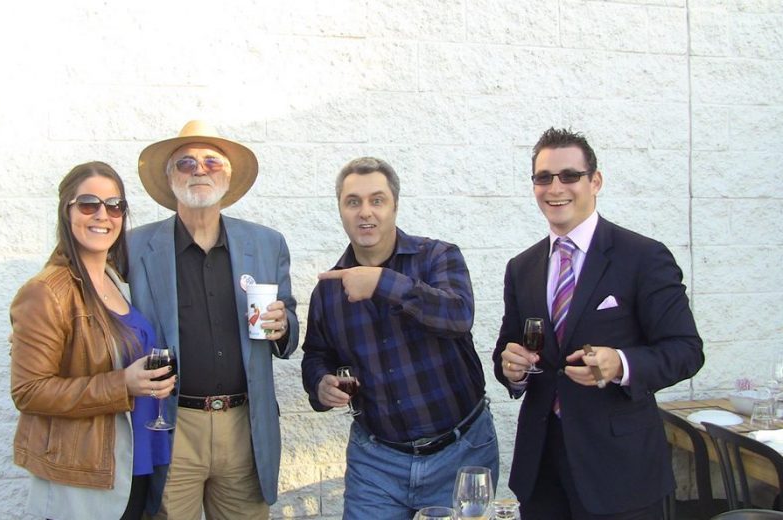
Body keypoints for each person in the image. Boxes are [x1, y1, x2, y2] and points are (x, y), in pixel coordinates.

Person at [492, 128, 704, 519]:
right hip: (541, 470)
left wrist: (621, 364)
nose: (556, 188)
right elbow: (508, 347)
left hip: (619, 473)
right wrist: (512, 369)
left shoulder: (643, 256)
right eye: (544, 177)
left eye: (569, 175)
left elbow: (686, 350)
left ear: (596, 181)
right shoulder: (522, 268)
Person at [301, 156, 500, 519]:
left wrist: (381, 282)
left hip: (460, 450)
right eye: (353, 202)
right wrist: (320, 383)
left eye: (377, 200)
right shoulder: (328, 291)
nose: (365, 212)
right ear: (341, 210)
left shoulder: (438, 256)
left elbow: (458, 315)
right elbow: (316, 354)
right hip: (376, 462)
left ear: (394, 205)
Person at [127, 120, 299, 519]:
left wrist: (284, 324)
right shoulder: (134, 247)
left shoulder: (266, 243)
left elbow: (288, 318)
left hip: (244, 425)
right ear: (170, 179)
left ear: (229, 175)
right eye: (185, 163)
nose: (199, 169)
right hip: (170, 424)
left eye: (211, 161)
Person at [9, 161, 176, 520]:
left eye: (115, 205)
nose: (103, 214)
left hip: (135, 464)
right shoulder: (45, 292)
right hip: (85, 476)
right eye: (88, 204)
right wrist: (123, 384)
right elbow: (29, 391)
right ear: (66, 210)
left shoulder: (114, 281)